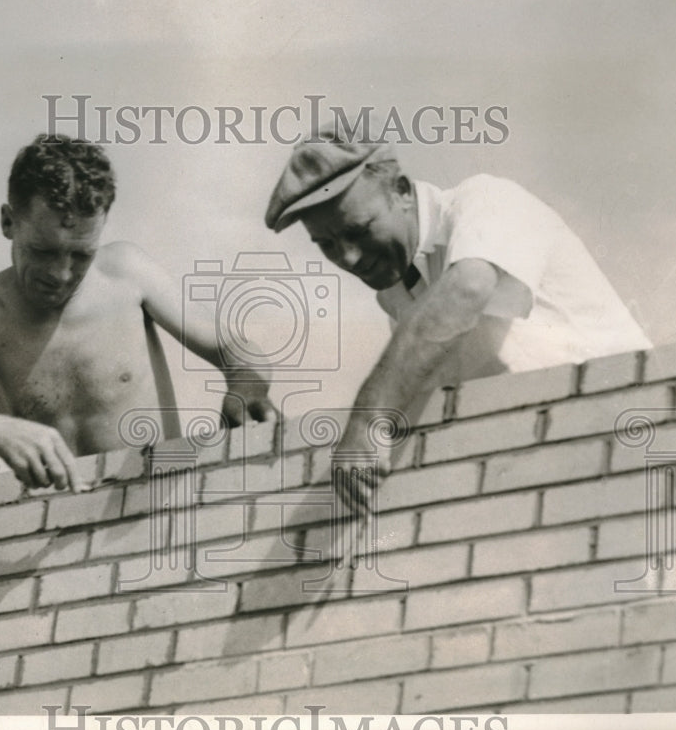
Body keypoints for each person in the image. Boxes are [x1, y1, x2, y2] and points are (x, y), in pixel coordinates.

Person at [265, 117, 651, 514]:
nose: (348, 257)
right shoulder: (397, 295)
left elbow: (467, 288)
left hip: (633, 435)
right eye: (327, 244)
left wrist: (369, 418)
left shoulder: (487, 200)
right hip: (552, 466)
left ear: (400, 191)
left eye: (360, 231)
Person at [0, 134, 275, 491]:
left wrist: (246, 384)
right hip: (49, 537)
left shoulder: (127, 273)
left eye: (81, 254)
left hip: (154, 511)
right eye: (43, 251)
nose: (62, 274)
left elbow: (238, 350)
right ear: (8, 222)